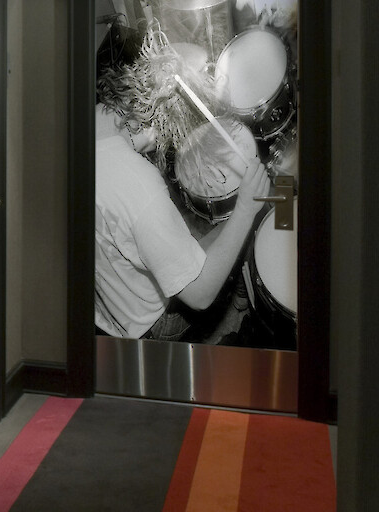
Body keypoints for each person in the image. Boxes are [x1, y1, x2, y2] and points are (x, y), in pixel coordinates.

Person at [93, 31, 270, 340]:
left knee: (211, 234)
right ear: (153, 122)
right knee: (234, 236)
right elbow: (200, 296)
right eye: (168, 139)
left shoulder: (87, 118)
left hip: (107, 302)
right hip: (149, 325)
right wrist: (245, 209)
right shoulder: (139, 187)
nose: (161, 148)